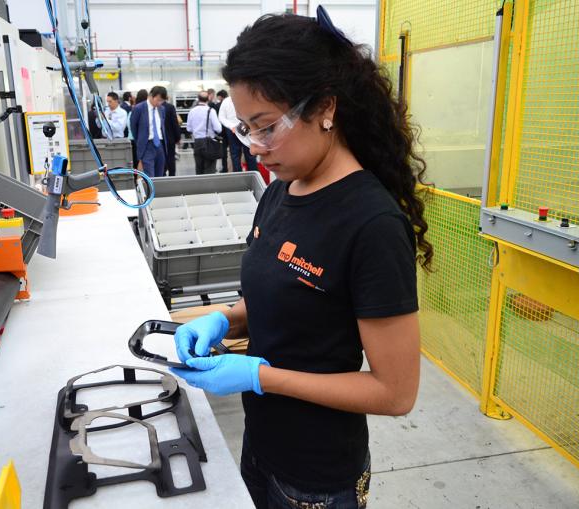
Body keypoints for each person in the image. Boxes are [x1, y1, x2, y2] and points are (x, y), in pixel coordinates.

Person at [170, 8, 432, 509]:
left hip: (317, 477)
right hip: (262, 445)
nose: (255, 148)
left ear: (326, 109)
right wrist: (223, 319)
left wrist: (256, 376)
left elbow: (395, 392)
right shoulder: (282, 190)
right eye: (245, 128)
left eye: (267, 127)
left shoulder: (370, 224)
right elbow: (289, 296)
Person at [130, 87, 168, 176]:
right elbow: (133, 128)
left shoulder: (162, 109)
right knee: (149, 175)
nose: (159, 103)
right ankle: (151, 190)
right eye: (158, 100)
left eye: (161, 101)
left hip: (160, 145)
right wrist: (141, 141)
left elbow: (161, 127)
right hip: (147, 145)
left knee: (160, 173)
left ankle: (159, 190)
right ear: (150, 96)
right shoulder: (139, 108)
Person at [219, 93, 258, 172]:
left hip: (247, 129)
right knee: (235, 155)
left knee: (250, 154)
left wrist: (248, 124)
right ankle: (238, 175)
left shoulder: (247, 99)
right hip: (232, 131)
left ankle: (253, 175)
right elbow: (221, 117)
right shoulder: (226, 101)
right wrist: (231, 126)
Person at [186, 91, 222, 175]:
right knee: (209, 169)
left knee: (199, 168)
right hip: (209, 142)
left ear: (198, 99)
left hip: (197, 142)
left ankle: (199, 187)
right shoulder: (211, 111)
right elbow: (218, 129)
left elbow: (189, 129)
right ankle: (208, 187)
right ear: (208, 99)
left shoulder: (192, 111)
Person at [160, 89, 182, 176]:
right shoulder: (170, 107)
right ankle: (172, 176)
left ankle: (162, 175)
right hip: (170, 139)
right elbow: (175, 124)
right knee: (171, 159)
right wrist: (178, 138)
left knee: (161, 159)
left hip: (158, 140)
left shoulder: (154, 107)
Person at [128, 89, 148, 168]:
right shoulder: (145, 110)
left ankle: (136, 178)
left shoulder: (133, 109)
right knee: (143, 161)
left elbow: (131, 125)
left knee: (135, 161)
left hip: (132, 138)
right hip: (141, 139)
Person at [216, 90, 230, 171]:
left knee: (223, 151)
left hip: (222, 132)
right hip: (231, 130)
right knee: (234, 152)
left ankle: (225, 168)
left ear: (220, 96)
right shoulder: (231, 104)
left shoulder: (217, 105)